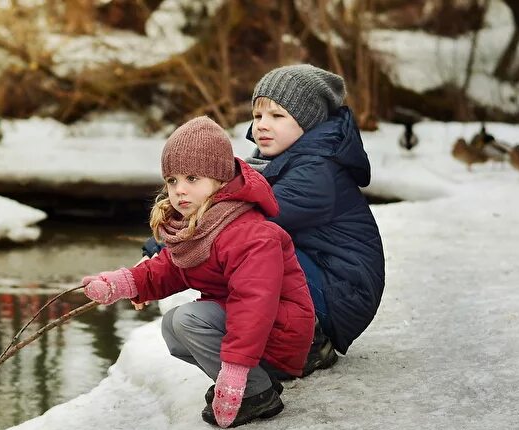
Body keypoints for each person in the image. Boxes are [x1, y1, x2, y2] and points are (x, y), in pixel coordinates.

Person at [143, 64, 385, 376]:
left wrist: (176, 247)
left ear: (309, 121)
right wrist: (166, 241)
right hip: (320, 279)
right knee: (245, 250)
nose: (262, 126)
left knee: (250, 245)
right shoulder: (274, 161)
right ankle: (254, 344)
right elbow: (217, 201)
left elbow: (238, 219)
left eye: (277, 116)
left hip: (340, 291)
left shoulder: (318, 171)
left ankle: (311, 341)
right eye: (258, 116)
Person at [82, 116, 314, 428]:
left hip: (278, 333)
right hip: (251, 335)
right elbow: (169, 268)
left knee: (187, 320)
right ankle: (254, 378)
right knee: (172, 328)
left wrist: (233, 370)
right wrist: (121, 284)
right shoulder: (202, 225)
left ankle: (256, 393)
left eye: (192, 179)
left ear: (219, 180)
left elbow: (254, 305)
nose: (180, 191)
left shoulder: (249, 233)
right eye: (173, 181)